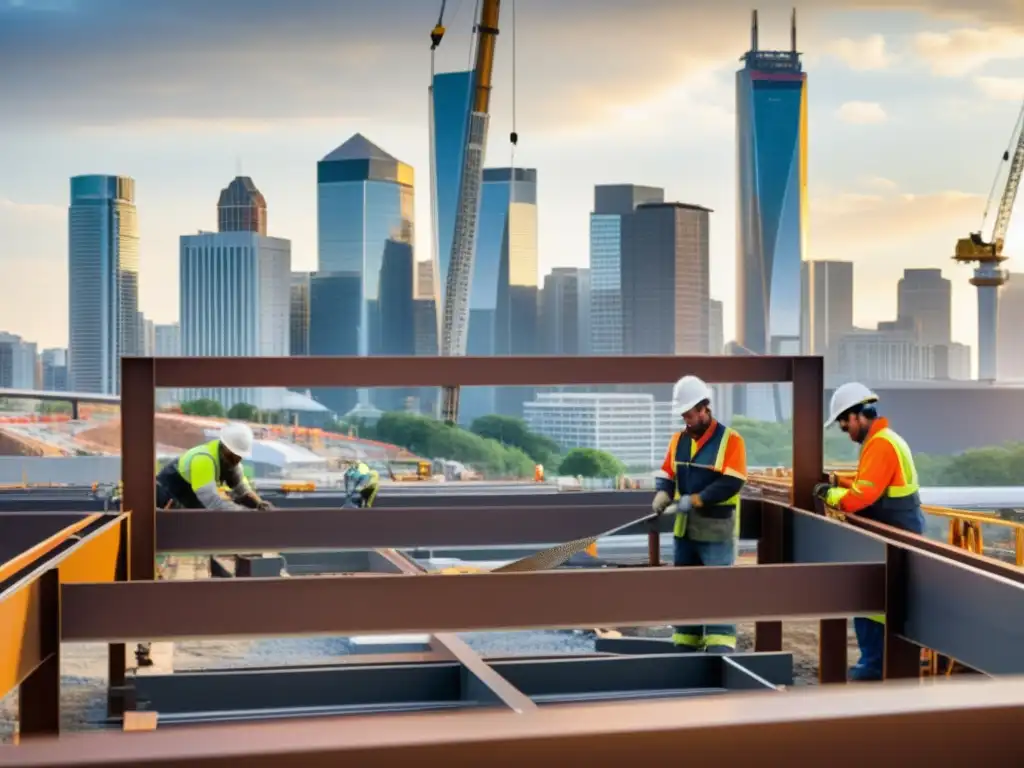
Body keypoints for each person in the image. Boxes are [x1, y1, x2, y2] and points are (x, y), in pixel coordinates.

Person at [818, 381, 925, 682]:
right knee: (878, 602)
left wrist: (829, 495)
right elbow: (871, 484)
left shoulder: (880, 445)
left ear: (857, 416)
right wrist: (839, 482)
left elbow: (863, 497)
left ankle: (876, 665)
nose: (845, 431)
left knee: (873, 601)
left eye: (844, 424)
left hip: (894, 535)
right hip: (895, 532)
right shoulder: (884, 440)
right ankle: (880, 664)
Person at [652, 375, 747, 654]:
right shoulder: (678, 440)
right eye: (684, 416)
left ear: (705, 409)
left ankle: (720, 642)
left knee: (717, 586)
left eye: (691, 415)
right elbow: (668, 472)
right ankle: (686, 639)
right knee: (685, 586)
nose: (687, 421)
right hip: (685, 529)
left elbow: (732, 481)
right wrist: (663, 492)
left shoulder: (731, 441)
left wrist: (696, 499)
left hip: (716, 529)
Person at [155, 421, 272, 511]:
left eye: (240, 456)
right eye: (235, 455)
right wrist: (243, 512)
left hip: (189, 496)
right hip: (168, 495)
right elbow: (212, 502)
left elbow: (242, 491)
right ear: (226, 448)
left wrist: (258, 503)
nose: (238, 459)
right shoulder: (203, 459)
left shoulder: (230, 462)